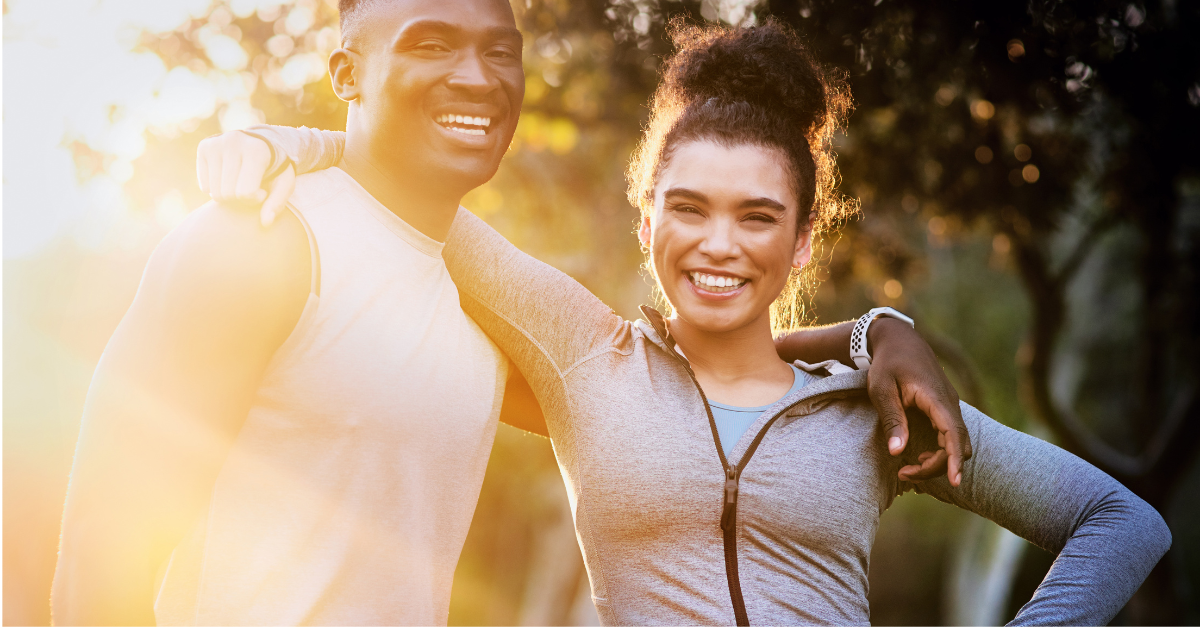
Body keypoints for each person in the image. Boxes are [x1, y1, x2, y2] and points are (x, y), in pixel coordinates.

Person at [203, 17, 1172, 626]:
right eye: (690, 209)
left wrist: (874, 334)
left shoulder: (875, 411)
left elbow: (1121, 524)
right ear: (648, 220)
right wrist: (290, 140)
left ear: (800, 244)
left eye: (759, 217)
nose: (720, 244)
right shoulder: (584, 355)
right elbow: (408, 181)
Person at [51, 1, 967, 626]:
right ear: (346, 70)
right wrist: (300, 144)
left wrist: (876, 331)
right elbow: (106, 539)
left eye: (500, 51)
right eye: (431, 44)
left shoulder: (481, 301)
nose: (476, 77)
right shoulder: (258, 240)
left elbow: (683, 377)